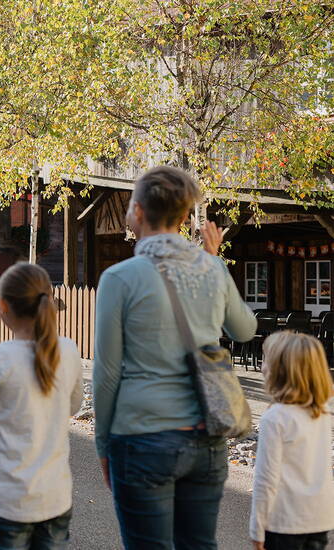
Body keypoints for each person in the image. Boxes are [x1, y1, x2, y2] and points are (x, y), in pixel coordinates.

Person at [93, 166, 257, 549]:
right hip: (206, 439)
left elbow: (107, 373)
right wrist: (214, 260)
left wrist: (103, 446)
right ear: (185, 217)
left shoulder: (119, 278)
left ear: (136, 211)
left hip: (141, 438)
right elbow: (245, 330)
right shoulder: (213, 268)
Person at [0, 263, 83, 550]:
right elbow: (73, 405)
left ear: (4, 306)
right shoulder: (68, 351)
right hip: (55, 497)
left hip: (7, 498)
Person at [250, 331, 334, 550]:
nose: (262, 366)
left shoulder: (275, 417)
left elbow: (266, 479)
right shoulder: (322, 411)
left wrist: (256, 529)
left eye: (265, 360)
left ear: (279, 371)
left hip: (284, 521)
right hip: (319, 518)